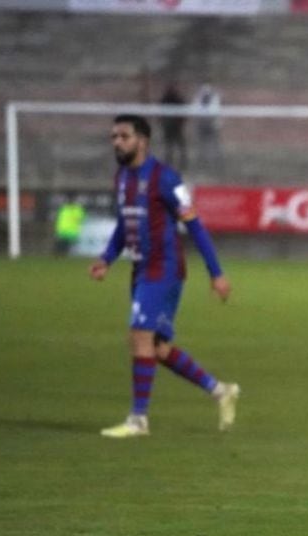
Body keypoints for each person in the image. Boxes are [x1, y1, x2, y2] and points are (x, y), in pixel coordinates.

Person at [90, 114, 240, 438]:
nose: (117, 142)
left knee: (139, 335)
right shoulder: (121, 178)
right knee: (156, 348)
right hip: (141, 269)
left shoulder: (166, 178)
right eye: (113, 136)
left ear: (142, 140)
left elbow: (195, 225)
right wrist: (106, 258)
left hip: (165, 268)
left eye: (124, 136)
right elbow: (124, 224)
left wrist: (216, 273)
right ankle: (220, 391)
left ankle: (138, 420)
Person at [194, 82, 223, 167]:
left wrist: (216, 123)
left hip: (212, 125)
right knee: (202, 144)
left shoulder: (214, 99)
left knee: (214, 144)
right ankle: (202, 160)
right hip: (202, 125)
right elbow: (196, 111)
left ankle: (215, 160)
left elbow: (216, 112)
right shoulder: (198, 99)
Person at [160, 82, 187, 170]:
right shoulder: (165, 99)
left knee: (181, 146)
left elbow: (183, 112)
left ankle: (183, 164)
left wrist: (180, 122)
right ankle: (168, 163)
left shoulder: (178, 99)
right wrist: (164, 123)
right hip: (168, 127)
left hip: (177, 127)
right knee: (169, 146)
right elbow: (161, 113)